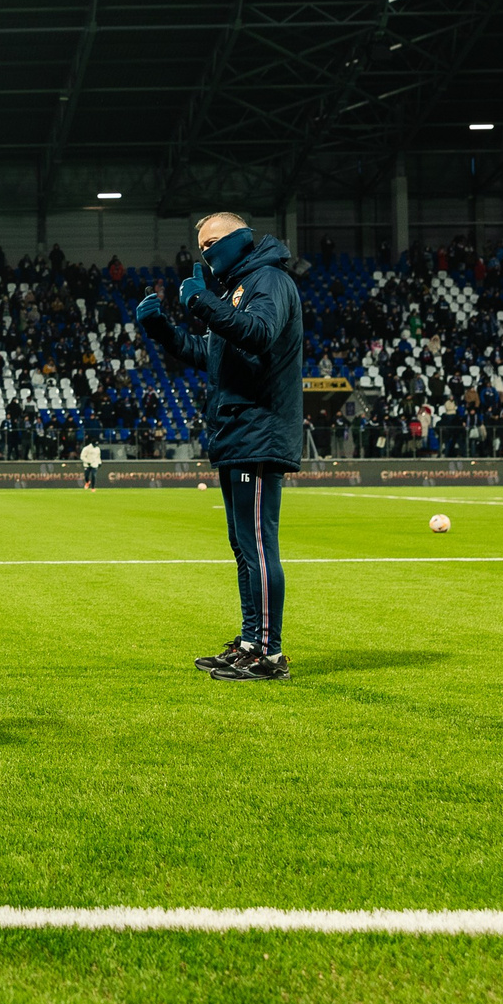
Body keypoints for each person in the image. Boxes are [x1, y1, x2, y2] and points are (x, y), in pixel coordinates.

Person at [136, 213, 305, 682]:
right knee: (242, 544)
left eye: (214, 242)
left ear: (240, 238)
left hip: (259, 427)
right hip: (236, 430)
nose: (206, 252)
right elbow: (210, 355)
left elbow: (260, 332)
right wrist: (164, 332)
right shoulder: (236, 286)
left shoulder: (267, 279)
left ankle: (269, 654)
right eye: (201, 245)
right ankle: (251, 641)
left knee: (256, 541)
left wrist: (206, 304)